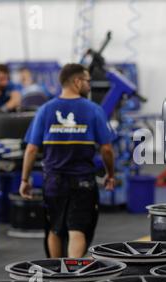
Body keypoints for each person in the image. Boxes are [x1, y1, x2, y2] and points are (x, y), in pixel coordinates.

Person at [20, 63, 115, 258]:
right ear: (77, 81)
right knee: (77, 229)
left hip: (53, 181)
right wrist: (110, 174)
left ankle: (55, 275)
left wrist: (24, 180)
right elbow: (106, 148)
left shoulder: (45, 110)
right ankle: (73, 277)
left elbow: (31, 149)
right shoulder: (93, 110)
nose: (89, 86)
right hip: (83, 182)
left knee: (55, 228)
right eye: (87, 81)